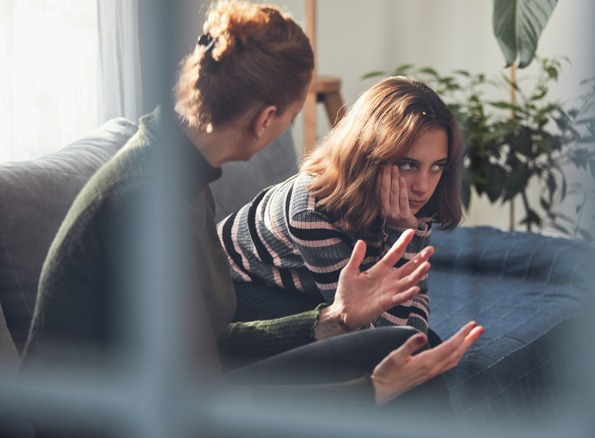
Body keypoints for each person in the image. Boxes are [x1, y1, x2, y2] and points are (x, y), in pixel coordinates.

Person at [20, 0, 482, 426]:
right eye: (294, 114)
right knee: (401, 378)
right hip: (109, 419)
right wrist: (371, 390)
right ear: (266, 120)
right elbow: (202, 400)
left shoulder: (178, 172)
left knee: (395, 346)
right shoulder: (146, 206)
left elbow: (216, 343)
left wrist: (333, 318)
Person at [218, 76, 464, 340]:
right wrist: (400, 233)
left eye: (437, 166)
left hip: (312, 290)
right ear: (369, 154)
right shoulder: (311, 210)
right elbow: (369, 332)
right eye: (408, 165)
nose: (423, 186)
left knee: (425, 343)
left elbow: (413, 299)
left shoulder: (413, 200)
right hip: (236, 288)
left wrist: (413, 341)